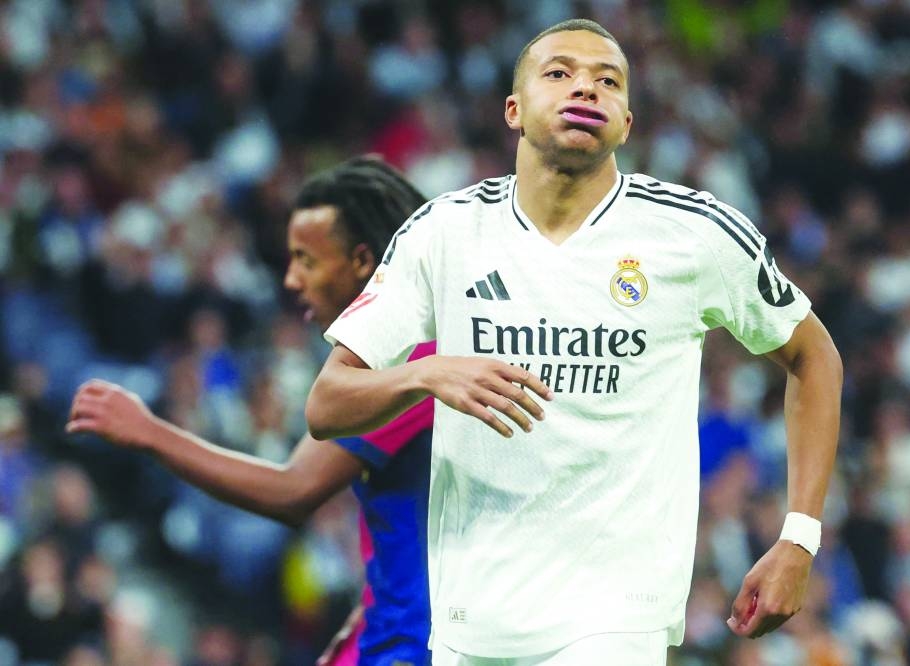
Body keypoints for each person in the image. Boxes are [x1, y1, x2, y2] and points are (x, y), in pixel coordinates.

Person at [304, 19, 843, 666]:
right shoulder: (443, 235)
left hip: (616, 618)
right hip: (468, 621)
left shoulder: (693, 234)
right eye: (558, 73)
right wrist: (425, 375)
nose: (585, 88)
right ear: (513, 109)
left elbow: (814, 357)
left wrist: (799, 537)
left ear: (626, 122)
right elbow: (327, 403)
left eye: (607, 81)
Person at [66, 157, 433, 666]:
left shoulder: (408, 360)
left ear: (362, 261)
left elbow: (293, 490)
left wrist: (150, 433)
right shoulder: (427, 346)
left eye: (307, 259)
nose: (290, 279)